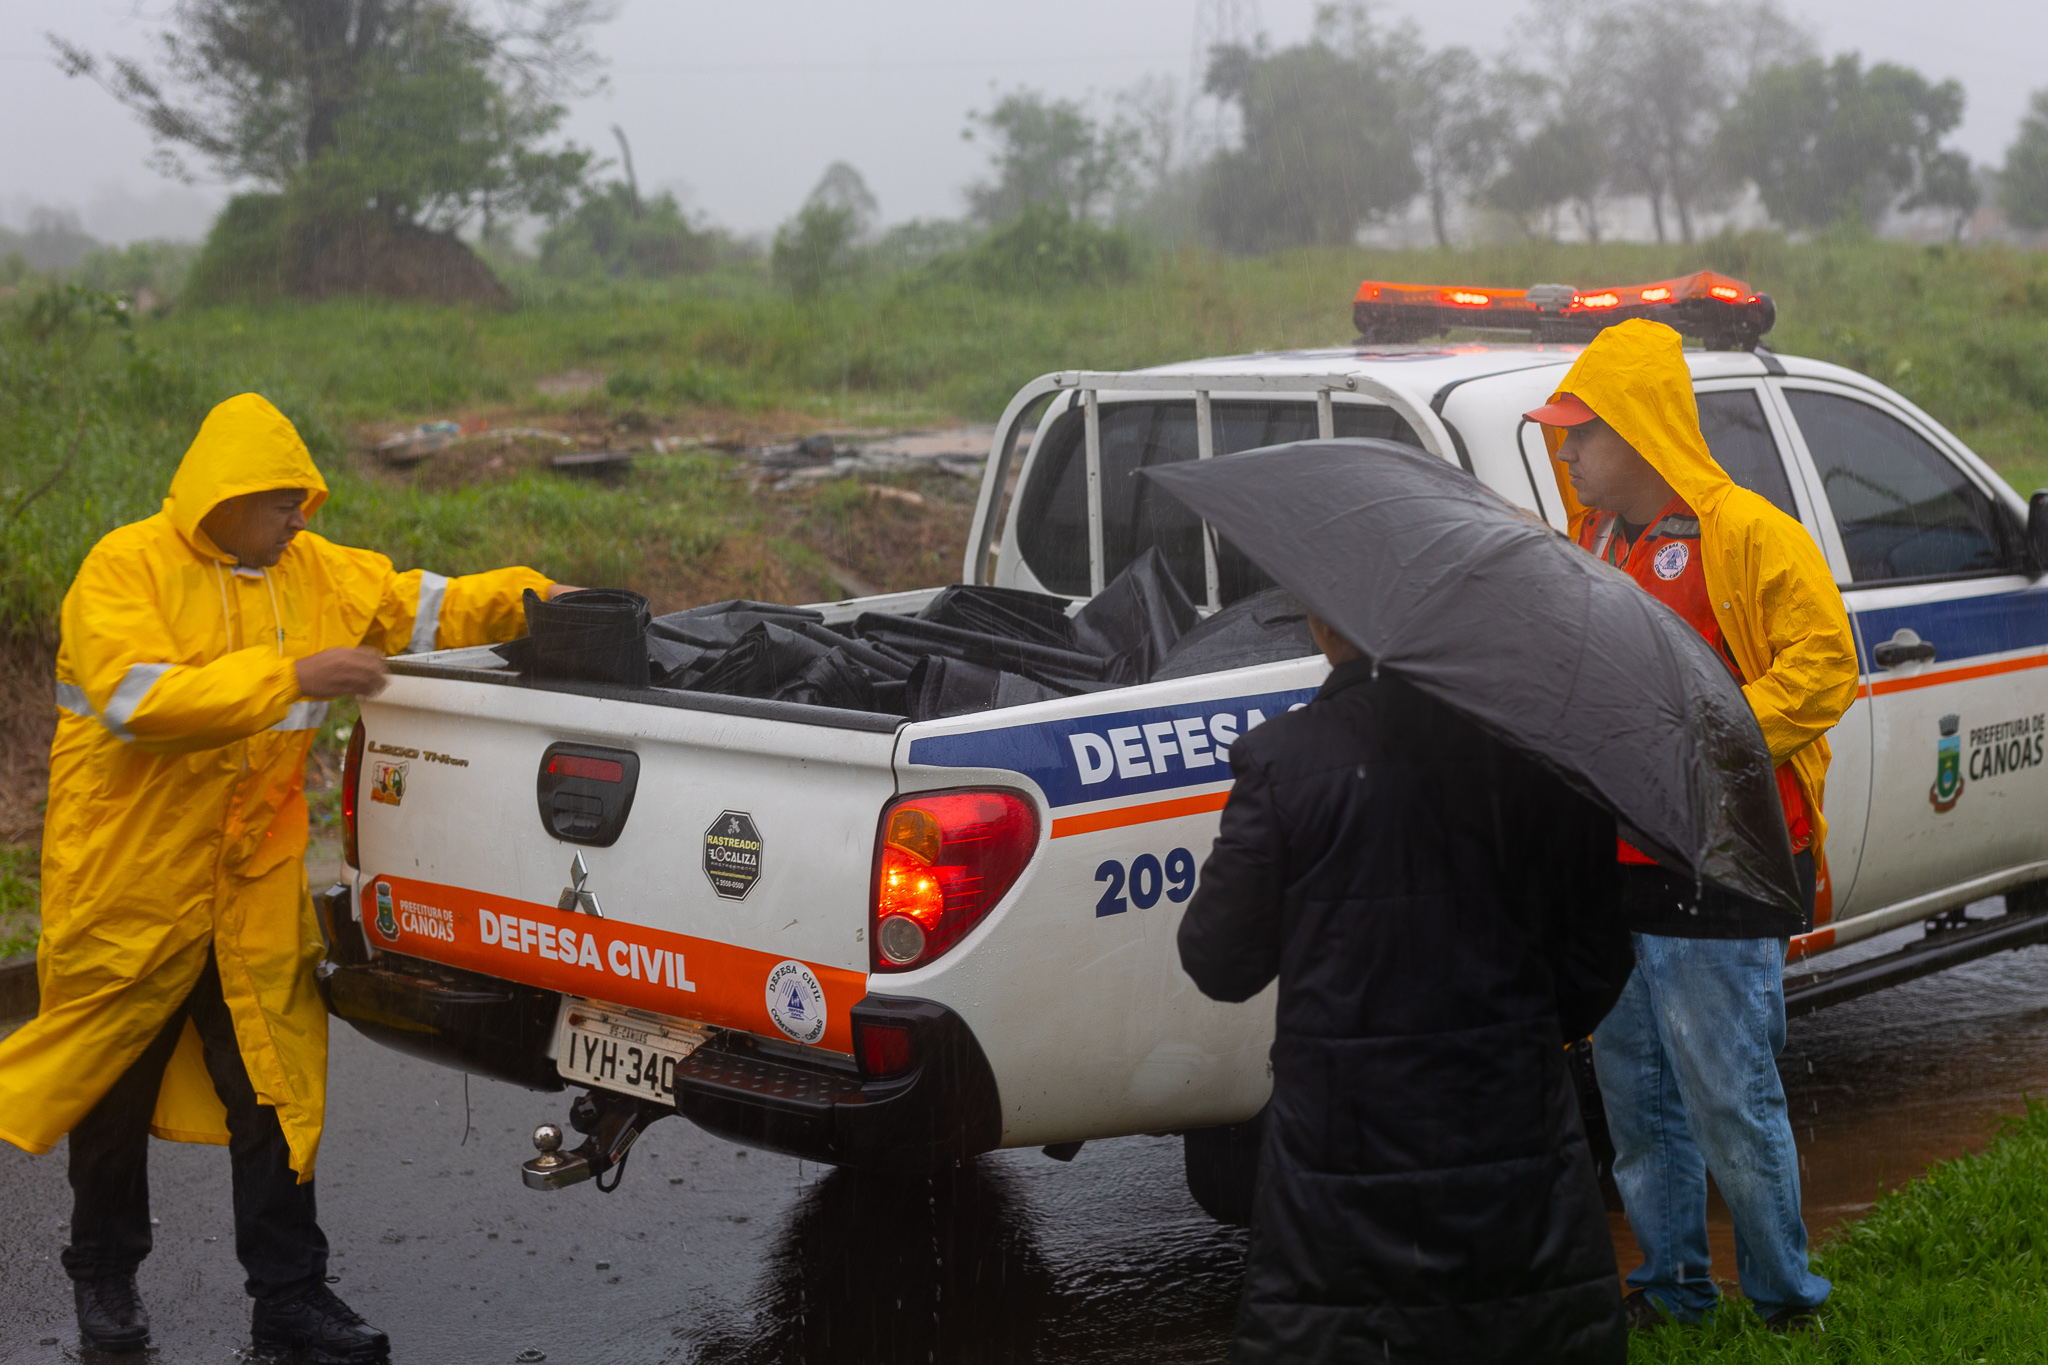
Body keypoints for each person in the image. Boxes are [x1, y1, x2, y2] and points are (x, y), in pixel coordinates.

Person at [0, 393, 577, 1360]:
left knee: (277, 1093)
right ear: (223, 500)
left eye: (303, 503)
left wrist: (538, 596)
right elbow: (142, 701)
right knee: (111, 1092)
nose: (300, 519)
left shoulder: (314, 572)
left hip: (252, 886)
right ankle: (103, 1274)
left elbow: (421, 601)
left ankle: (291, 1296)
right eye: (282, 505)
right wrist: (290, 676)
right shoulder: (125, 568)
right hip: (127, 887)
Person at [1178, 610, 1635, 1365]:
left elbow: (1218, 960)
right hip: (1510, 1126)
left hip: (1341, 1144)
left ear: (1326, 627)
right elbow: (1597, 953)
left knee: (1352, 1332)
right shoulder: (1538, 752)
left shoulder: (1284, 761)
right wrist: (1513, 1030)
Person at [1531, 318, 1858, 1334]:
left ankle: (1782, 1302)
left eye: (1579, 435)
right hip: (1619, 862)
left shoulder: (1748, 534)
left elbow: (1822, 668)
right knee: (1635, 1099)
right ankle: (1669, 1285)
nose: (1568, 454)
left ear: (1633, 431)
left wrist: (1703, 735)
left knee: (1729, 1093)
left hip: (1720, 865)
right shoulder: (1593, 544)